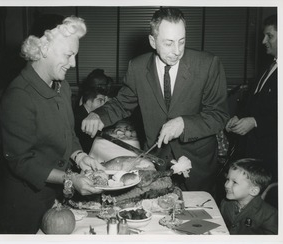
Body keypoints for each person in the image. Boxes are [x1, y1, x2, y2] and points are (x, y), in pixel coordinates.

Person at [82, 8, 229, 194]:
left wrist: (184, 123)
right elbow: (122, 103)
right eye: (168, 43)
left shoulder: (208, 65)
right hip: (156, 164)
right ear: (153, 41)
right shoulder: (137, 67)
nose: (177, 51)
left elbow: (219, 115)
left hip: (197, 165)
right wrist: (98, 114)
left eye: (181, 42)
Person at [0, 16, 104, 234]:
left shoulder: (61, 86)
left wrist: (79, 156)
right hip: (25, 207)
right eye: (69, 55)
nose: (73, 64)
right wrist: (71, 178)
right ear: (43, 48)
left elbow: (68, 133)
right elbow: (22, 162)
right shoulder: (18, 96)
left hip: (55, 199)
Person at [225, 15, 278, 182]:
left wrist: (256, 122)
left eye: (270, 36)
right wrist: (239, 118)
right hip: (253, 153)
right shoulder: (269, 67)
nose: (263, 41)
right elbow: (255, 104)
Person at [220, 158, 278, 234]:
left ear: (253, 191)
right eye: (227, 179)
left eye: (234, 182)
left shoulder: (269, 215)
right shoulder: (225, 203)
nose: (226, 185)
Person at [74, 69, 111, 153]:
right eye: (100, 100)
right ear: (88, 100)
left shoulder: (86, 112)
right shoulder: (79, 120)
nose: (103, 105)